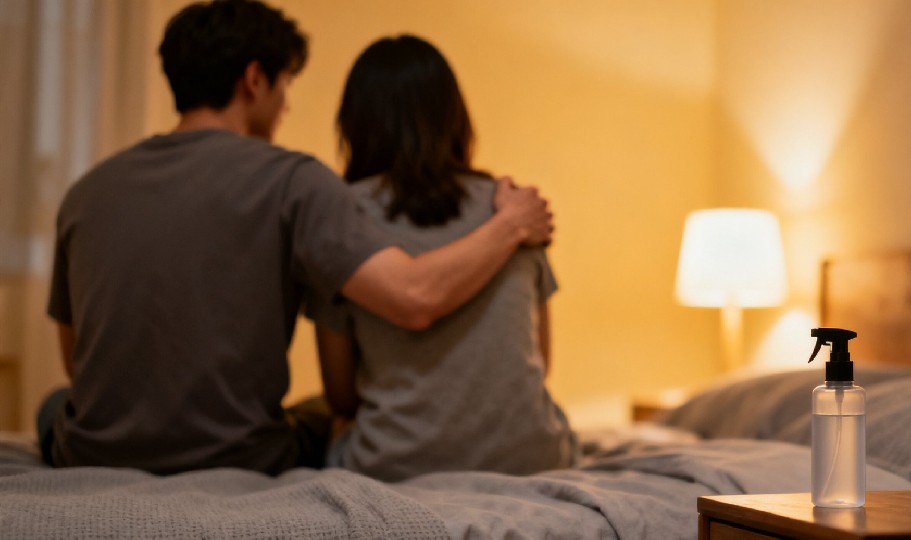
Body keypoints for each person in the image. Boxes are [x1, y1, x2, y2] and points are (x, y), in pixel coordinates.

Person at [38, 0, 553, 476]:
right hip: (243, 457)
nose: (286, 105)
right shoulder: (293, 182)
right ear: (254, 80)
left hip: (92, 453)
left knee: (51, 404)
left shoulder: (86, 193)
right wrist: (511, 225)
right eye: (285, 84)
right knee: (317, 414)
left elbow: (77, 362)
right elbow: (413, 296)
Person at [307, 34, 577, 482]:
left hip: (391, 465)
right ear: (455, 117)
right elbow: (540, 362)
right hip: (536, 459)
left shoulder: (343, 216)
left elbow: (341, 396)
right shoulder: (513, 209)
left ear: (355, 123)